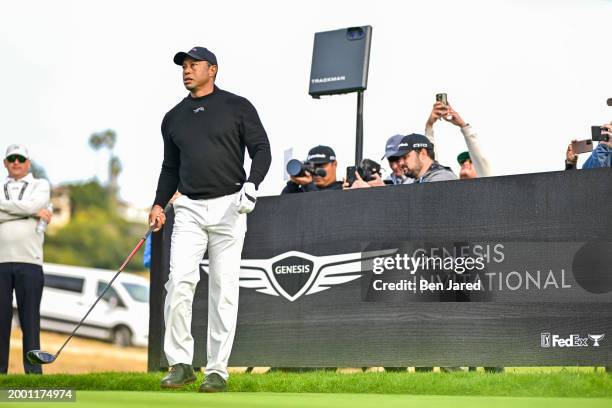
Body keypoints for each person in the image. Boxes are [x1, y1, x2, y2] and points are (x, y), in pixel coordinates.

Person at [149, 46, 271, 392]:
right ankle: (180, 363)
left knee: (224, 289)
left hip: (231, 206)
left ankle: (216, 370)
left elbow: (261, 149)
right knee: (179, 284)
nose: (187, 70)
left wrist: (252, 185)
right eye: (183, 66)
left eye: (193, 65)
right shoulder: (172, 118)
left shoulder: (237, 106)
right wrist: (159, 204)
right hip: (187, 207)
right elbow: (170, 167)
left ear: (212, 70)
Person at [0, 145, 51, 374]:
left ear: (28, 162)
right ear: (5, 163)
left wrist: (19, 210)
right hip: (0, 263)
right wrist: (29, 211)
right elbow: (31, 208)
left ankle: (33, 375)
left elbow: (34, 204)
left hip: (30, 262)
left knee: (30, 323)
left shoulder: (40, 185)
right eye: (12, 159)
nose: (17, 162)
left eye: (21, 159)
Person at [425, 101, 492, 178]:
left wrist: (463, 125)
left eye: (471, 162)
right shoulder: (449, 188)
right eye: (463, 162)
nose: (465, 164)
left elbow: (480, 158)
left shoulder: (487, 184)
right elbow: (431, 169)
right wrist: (429, 126)